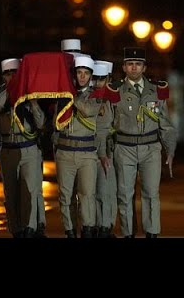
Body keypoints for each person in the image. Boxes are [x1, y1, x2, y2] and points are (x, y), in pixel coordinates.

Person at [101, 47, 177, 238]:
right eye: (130, 64)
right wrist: (103, 152)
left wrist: (170, 149)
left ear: (144, 67)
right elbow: (105, 125)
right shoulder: (115, 90)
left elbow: (165, 124)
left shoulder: (156, 90)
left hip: (151, 148)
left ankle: (152, 233)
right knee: (124, 196)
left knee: (151, 194)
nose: (134, 68)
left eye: (138, 64)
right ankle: (128, 234)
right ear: (124, 67)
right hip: (124, 148)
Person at [0, 58, 47, 238]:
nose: (12, 76)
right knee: (10, 194)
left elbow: (42, 123)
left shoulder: (30, 94)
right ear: (3, 76)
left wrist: (32, 100)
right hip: (8, 148)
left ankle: (31, 228)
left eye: (15, 73)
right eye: (8, 73)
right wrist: (11, 89)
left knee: (29, 191)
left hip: (29, 147)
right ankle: (16, 230)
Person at [52, 55, 103, 238]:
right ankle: (70, 231)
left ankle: (88, 230)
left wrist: (72, 95)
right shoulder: (63, 95)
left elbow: (89, 111)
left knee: (87, 195)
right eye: (79, 72)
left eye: (86, 73)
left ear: (91, 76)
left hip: (87, 153)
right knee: (65, 197)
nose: (82, 76)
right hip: (65, 151)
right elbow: (55, 123)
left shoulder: (96, 95)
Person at [92, 60, 118, 238]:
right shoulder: (90, 97)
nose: (98, 82)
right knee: (91, 192)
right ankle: (96, 225)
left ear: (108, 78)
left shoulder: (113, 98)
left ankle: (106, 227)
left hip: (107, 149)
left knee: (107, 190)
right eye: (95, 78)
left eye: (101, 79)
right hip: (89, 148)